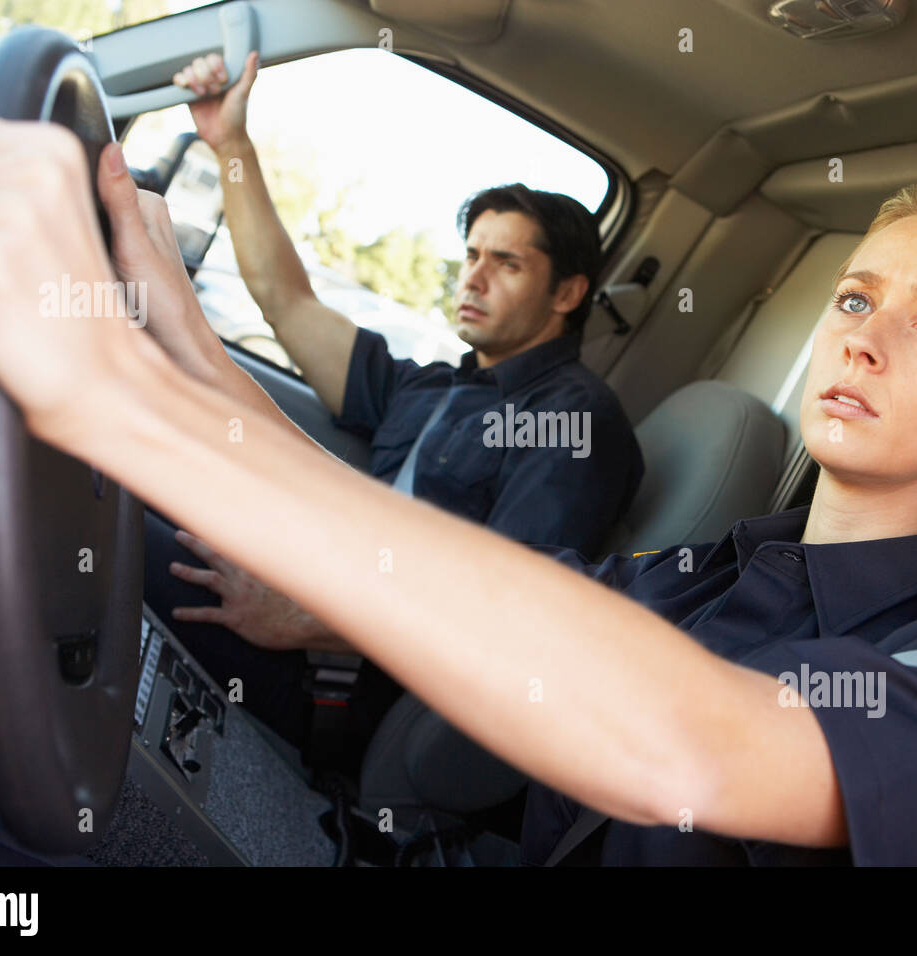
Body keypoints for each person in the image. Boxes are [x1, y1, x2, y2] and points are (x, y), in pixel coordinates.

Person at [0, 116, 917, 865]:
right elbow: (437, 563)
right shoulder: (718, 567)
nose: (865, 339)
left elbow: (693, 747)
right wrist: (166, 321)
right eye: (854, 297)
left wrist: (128, 408)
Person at [143, 53, 643, 758]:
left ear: (567, 294)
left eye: (507, 263)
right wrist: (231, 146)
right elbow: (287, 300)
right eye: (472, 254)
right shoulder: (433, 387)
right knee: (117, 475)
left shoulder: (576, 421)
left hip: (336, 679)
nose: (473, 276)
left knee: (102, 522)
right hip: (299, 590)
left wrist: (302, 614)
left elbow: (509, 612)